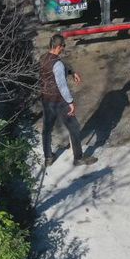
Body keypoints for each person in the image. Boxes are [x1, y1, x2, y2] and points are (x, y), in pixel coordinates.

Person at [39, 34, 98, 167]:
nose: (64, 48)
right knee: (74, 127)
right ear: (59, 46)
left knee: (47, 129)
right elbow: (62, 86)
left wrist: (71, 71)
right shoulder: (58, 65)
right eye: (63, 46)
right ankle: (78, 158)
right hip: (59, 102)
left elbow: (59, 65)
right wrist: (70, 102)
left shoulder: (43, 58)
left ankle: (48, 157)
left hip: (46, 99)